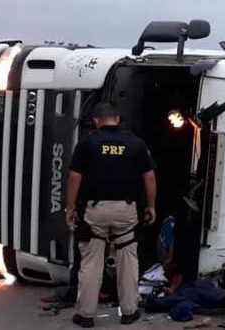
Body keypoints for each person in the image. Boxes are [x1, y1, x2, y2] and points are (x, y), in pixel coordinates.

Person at [65, 103, 157, 328]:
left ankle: (86, 315)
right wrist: (151, 206)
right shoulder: (136, 143)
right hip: (126, 210)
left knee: (91, 261)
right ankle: (129, 311)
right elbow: (150, 177)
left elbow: (75, 178)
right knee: (128, 259)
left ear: (96, 120)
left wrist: (70, 209)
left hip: (95, 210)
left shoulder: (87, 143)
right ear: (117, 118)